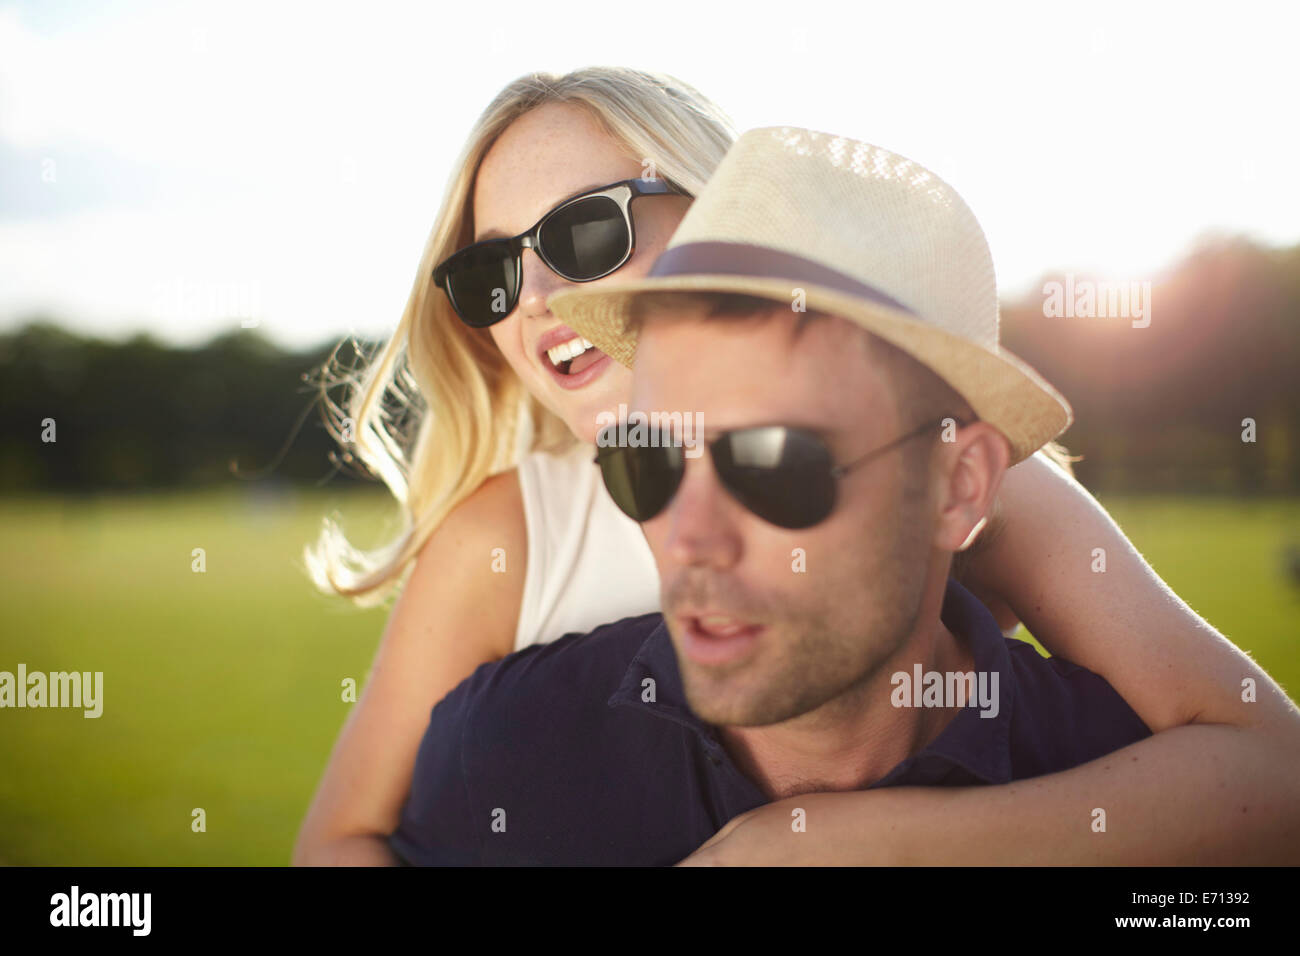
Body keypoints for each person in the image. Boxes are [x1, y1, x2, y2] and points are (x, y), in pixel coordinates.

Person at [294, 74, 1300, 865]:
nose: (540, 295)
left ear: (722, 212)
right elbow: (338, 839)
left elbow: (1270, 768)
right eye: (492, 272)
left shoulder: (959, 475)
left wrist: (871, 842)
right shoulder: (505, 539)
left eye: (583, 231)